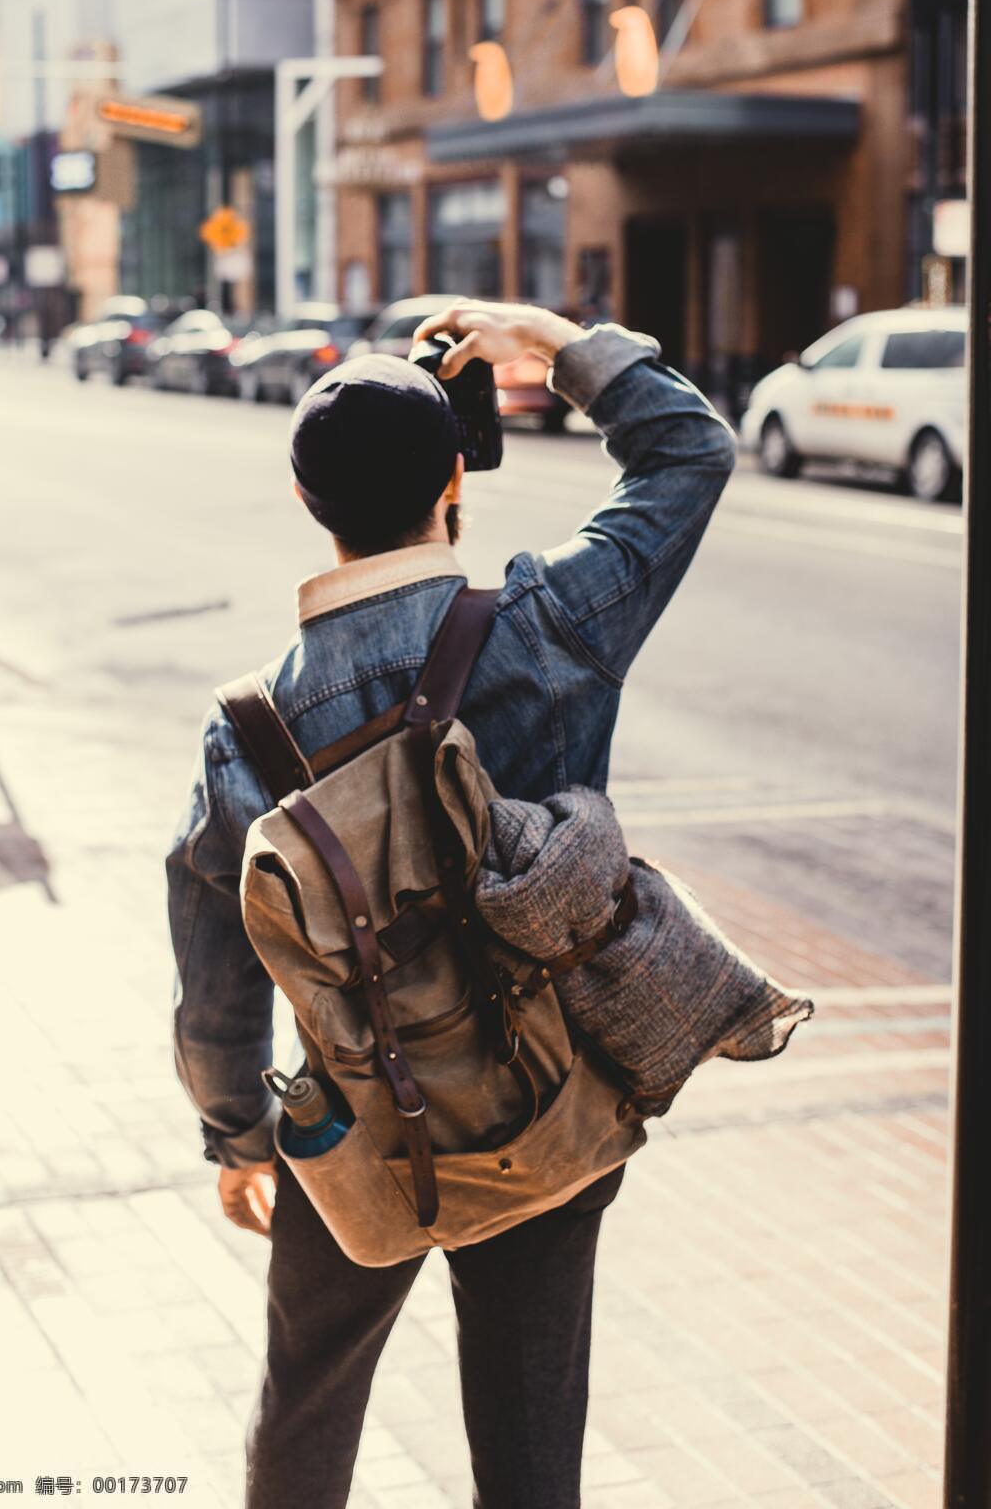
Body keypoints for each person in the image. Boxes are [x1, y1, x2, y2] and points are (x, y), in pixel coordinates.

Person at [166, 298, 737, 1509]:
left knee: (304, 1408)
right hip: (544, 1104)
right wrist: (550, 338)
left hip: (353, 1124)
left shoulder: (246, 731)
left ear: (310, 502)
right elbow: (689, 450)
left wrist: (237, 1136)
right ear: (453, 484)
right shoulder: (547, 626)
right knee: (532, 1456)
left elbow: (216, 972)